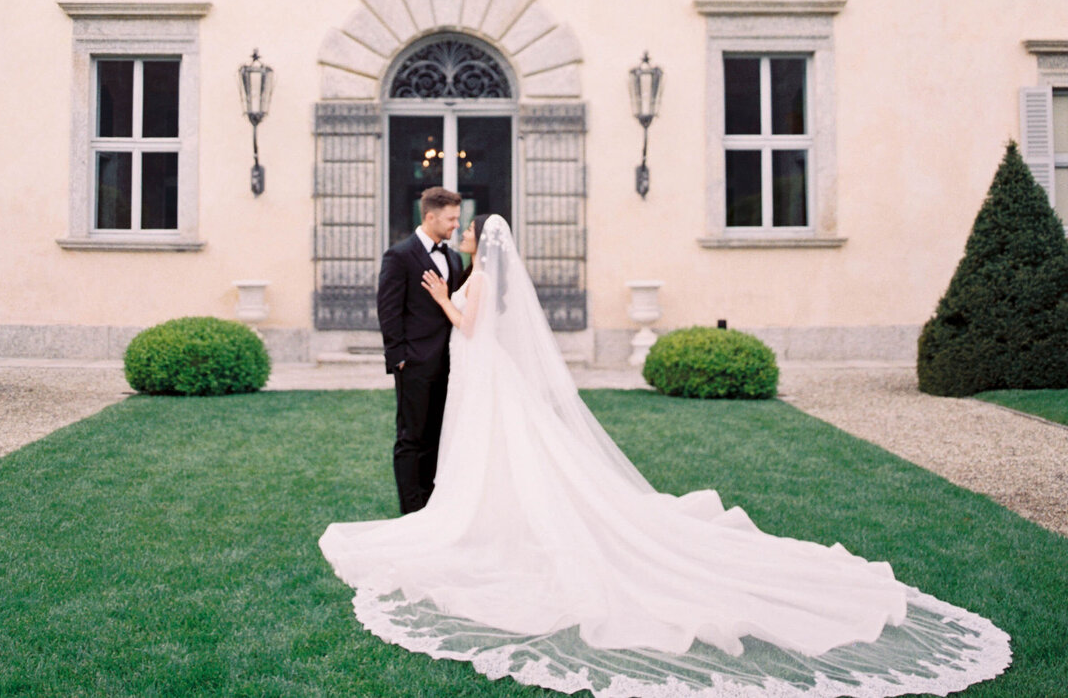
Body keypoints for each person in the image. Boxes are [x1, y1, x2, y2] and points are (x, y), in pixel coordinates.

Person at [321, 215, 1011, 698]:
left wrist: (443, 299)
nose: (465, 235)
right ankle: (471, 513)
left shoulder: (471, 279)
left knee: (496, 455)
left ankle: (475, 522)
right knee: (492, 454)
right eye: (462, 229)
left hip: (482, 378)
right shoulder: (489, 273)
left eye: (472, 233)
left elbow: (469, 325)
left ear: (482, 243)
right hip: (481, 380)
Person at [375, 185, 464, 514]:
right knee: (412, 437)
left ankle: (431, 505)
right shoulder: (399, 255)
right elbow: (388, 309)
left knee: (439, 435)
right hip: (414, 363)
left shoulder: (453, 257)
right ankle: (411, 509)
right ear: (430, 216)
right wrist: (397, 358)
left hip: (450, 363)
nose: (456, 224)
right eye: (451, 218)